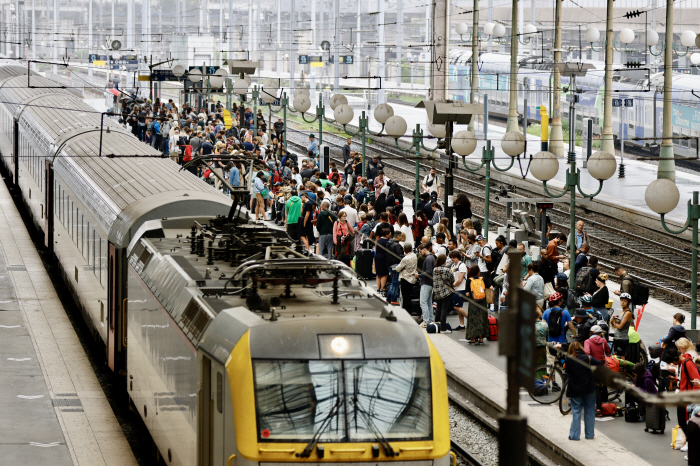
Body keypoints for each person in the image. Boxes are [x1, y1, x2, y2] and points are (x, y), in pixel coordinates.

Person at [566, 341, 604, 440]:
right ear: (581, 348)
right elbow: (600, 363)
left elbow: (567, 372)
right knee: (590, 411)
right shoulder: (588, 358)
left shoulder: (569, 359)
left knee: (576, 411)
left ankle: (574, 436)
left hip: (575, 389)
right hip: (589, 388)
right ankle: (590, 435)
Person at [668, 338, 700, 439]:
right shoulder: (683, 363)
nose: (673, 364)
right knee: (682, 421)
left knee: (685, 421)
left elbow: (696, 381)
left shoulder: (688, 364)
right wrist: (676, 379)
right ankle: (687, 441)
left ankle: (689, 442)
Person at [465, 266, 489, 344]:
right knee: (482, 318)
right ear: (478, 272)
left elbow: (467, 293)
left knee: (473, 319)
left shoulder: (469, 281)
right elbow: (490, 287)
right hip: (482, 302)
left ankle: (473, 338)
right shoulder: (483, 279)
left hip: (473, 302)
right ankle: (481, 338)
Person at [432, 255, 454, 334]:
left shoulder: (435, 269)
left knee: (438, 309)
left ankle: (436, 326)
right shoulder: (447, 270)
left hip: (437, 291)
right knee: (444, 310)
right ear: (444, 261)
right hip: (445, 292)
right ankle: (443, 329)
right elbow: (452, 280)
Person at [610, 292, 634, 360]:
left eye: (625, 301)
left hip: (622, 338)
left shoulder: (627, 313)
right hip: (618, 337)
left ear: (628, 302)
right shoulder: (622, 311)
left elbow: (620, 327)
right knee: (618, 357)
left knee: (621, 357)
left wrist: (614, 323)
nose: (622, 302)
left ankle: (622, 369)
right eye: (621, 300)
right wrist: (614, 319)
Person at [449, 250, 469, 331]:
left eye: (454, 257)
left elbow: (460, 279)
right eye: (451, 257)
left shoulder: (462, 265)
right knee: (459, 306)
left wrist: (452, 286)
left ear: (458, 257)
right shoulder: (454, 265)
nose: (452, 259)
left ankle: (471, 319)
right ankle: (462, 325)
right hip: (456, 288)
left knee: (456, 307)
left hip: (461, 288)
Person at [396, 244, 418, 314]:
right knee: (409, 296)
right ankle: (409, 311)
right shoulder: (414, 256)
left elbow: (398, 268)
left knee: (405, 297)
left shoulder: (405, 259)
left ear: (405, 249)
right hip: (412, 278)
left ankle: (407, 312)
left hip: (405, 279)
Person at [418, 244, 436, 327]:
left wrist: (419, 275)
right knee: (429, 303)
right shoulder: (431, 257)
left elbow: (428, 271)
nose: (420, 253)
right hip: (430, 283)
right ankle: (430, 320)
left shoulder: (428, 258)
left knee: (423, 302)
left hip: (426, 283)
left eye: (420, 251)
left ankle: (426, 321)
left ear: (424, 249)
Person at [375, 228, 391, 295]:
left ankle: (378, 288)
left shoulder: (378, 240)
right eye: (389, 233)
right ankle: (383, 288)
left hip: (377, 257)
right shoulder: (387, 242)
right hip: (384, 258)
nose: (390, 234)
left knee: (378, 274)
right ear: (386, 235)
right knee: (384, 274)